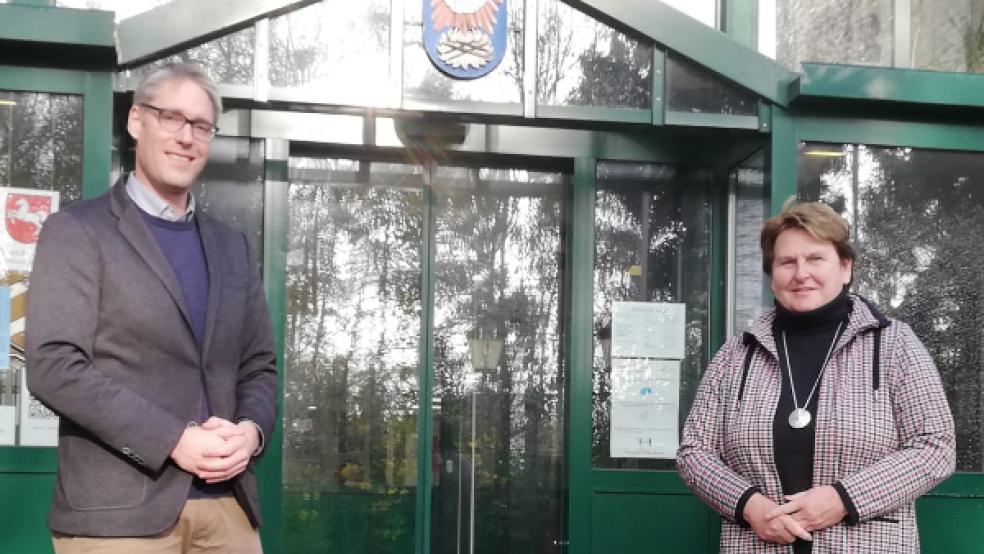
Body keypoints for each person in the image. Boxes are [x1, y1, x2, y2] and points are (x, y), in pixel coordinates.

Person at [25, 63, 278, 553]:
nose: (187, 137)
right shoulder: (78, 231)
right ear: (137, 121)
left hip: (229, 510)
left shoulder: (234, 247)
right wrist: (172, 439)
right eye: (172, 118)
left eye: (201, 126)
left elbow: (259, 366)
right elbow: (54, 365)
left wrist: (251, 433)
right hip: (118, 516)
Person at [677, 201, 955, 553]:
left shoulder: (895, 344)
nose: (801, 273)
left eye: (815, 259)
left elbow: (936, 446)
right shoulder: (736, 355)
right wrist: (749, 506)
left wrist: (843, 499)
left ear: (845, 267)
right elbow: (694, 452)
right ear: (772, 274)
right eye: (787, 262)